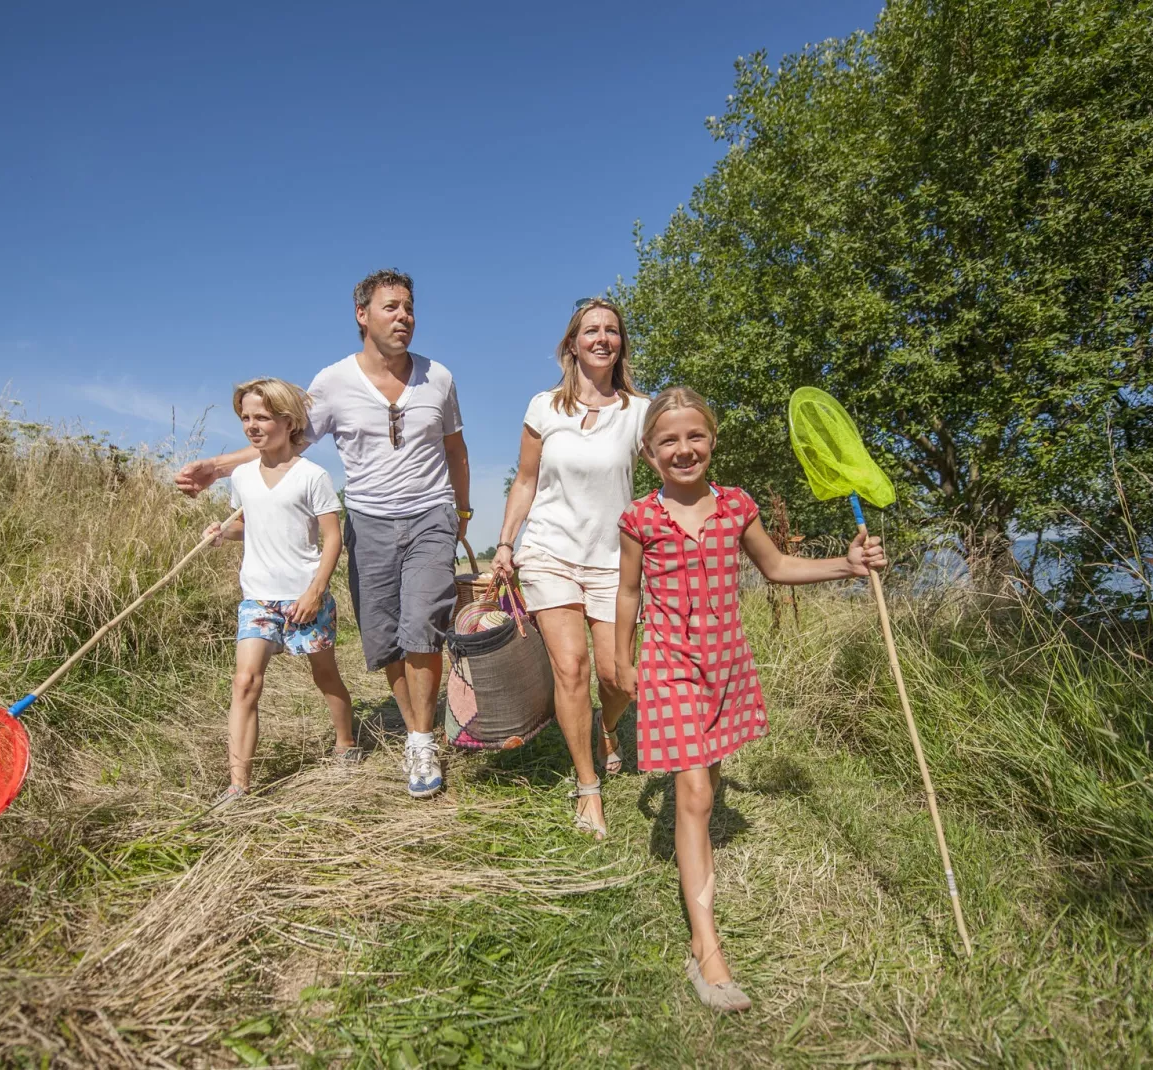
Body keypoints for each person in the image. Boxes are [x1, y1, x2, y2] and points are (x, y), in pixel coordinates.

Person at [614, 387, 886, 1013]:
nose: (684, 450)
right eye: (668, 442)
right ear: (650, 454)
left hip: (726, 663)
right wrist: (619, 657)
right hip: (670, 664)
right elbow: (628, 594)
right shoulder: (639, 519)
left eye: (695, 437)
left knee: (707, 777)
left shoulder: (737, 506)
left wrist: (847, 565)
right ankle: (705, 948)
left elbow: (778, 567)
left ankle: (700, 881)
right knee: (696, 791)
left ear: (711, 441)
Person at [176, 270, 472, 798]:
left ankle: (422, 740)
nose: (404, 317)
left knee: (423, 620)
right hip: (369, 522)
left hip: (430, 513)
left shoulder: (440, 378)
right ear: (362, 315)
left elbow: (455, 450)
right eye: (391, 308)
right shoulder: (333, 382)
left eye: (409, 308)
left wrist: (462, 513)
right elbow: (284, 445)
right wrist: (219, 468)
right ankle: (413, 727)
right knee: (386, 637)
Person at [489, 298, 646, 838]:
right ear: (572, 344)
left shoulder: (640, 412)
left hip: (615, 561)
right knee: (572, 668)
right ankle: (588, 789)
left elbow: (675, 467)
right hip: (550, 553)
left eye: (612, 331)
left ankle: (605, 728)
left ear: (621, 343)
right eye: (591, 330)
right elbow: (526, 481)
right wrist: (506, 543)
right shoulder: (543, 408)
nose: (602, 338)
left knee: (617, 676)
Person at [203, 378, 357, 805]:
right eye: (246, 418)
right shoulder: (244, 477)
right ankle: (239, 784)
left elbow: (332, 539)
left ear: (288, 422)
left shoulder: (313, 476)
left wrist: (315, 591)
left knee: (325, 675)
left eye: (262, 418)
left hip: (304, 596)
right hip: (258, 597)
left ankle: (346, 742)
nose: (252, 426)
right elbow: (250, 525)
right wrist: (222, 533)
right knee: (245, 682)